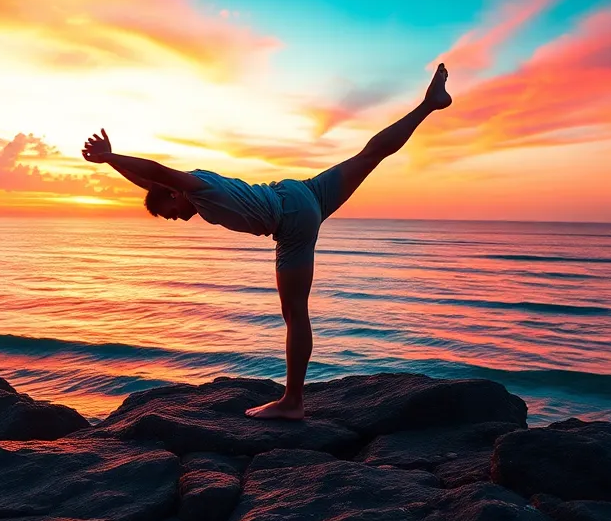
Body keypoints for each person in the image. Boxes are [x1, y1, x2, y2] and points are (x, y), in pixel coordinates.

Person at [82, 64, 453, 419]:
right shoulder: (194, 188)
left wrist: (112, 155)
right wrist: (111, 163)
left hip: (290, 222)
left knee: (295, 314)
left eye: (168, 212)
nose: (174, 219)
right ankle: (429, 105)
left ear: (173, 195)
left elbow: (157, 172)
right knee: (370, 155)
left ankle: (293, 402)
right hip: (303, 193)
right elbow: (152, 182)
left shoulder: (196, 187)